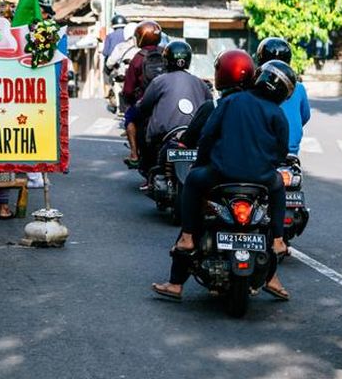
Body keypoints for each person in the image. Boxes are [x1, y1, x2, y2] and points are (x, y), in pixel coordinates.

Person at [151, 60, 296, 302]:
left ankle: (181, 263)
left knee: (193, 182)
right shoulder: (277, 113)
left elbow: (207, 136)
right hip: (261, 179)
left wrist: (201, 163)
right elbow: (281, 153)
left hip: (221, 175)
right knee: (278, 188)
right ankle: (279, 241)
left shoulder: (230, 101)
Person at [134, 40, 211, 179]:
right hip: (194, 136)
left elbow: (145, 106)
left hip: (164, 136)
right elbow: (209, 106)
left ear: (166, 60)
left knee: (141, 128)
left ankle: (146, 168)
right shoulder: (200, 83)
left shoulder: (159, 81)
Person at [179, 49, 256, 149]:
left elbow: (187, 142)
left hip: (214, 164)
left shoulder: (211, 108)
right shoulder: (260, 109)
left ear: (224, 72)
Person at [255, 37, 310, 155]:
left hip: (263, 151)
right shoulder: (299, 87)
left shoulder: (254, 85)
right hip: (291, 153)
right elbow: (305, 116)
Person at [121, 21, 164, 168]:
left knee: (129, 119)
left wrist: (128, 99)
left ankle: (134, 154)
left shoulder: (138, 58)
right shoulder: (166, 52)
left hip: (144, 103)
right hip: (166, 101)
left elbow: (128, 89)